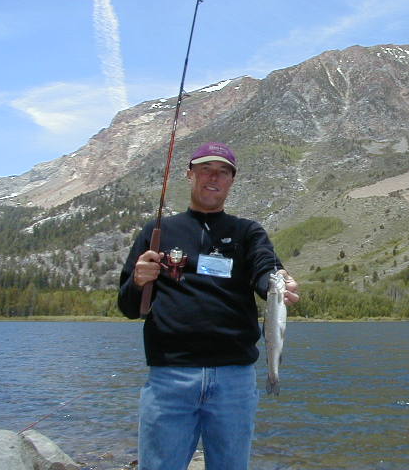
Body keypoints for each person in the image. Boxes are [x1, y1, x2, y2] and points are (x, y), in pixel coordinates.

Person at [118, 142, 299, 470]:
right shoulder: (158, 232)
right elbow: (128, 306)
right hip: (169, 378)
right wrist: (138, 281)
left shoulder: (248, 232)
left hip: (234, 380)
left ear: (232, 180)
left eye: (223, 172)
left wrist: (279, 283)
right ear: (190, 174)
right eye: (206, 169)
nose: (214, 177)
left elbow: (265, 270)